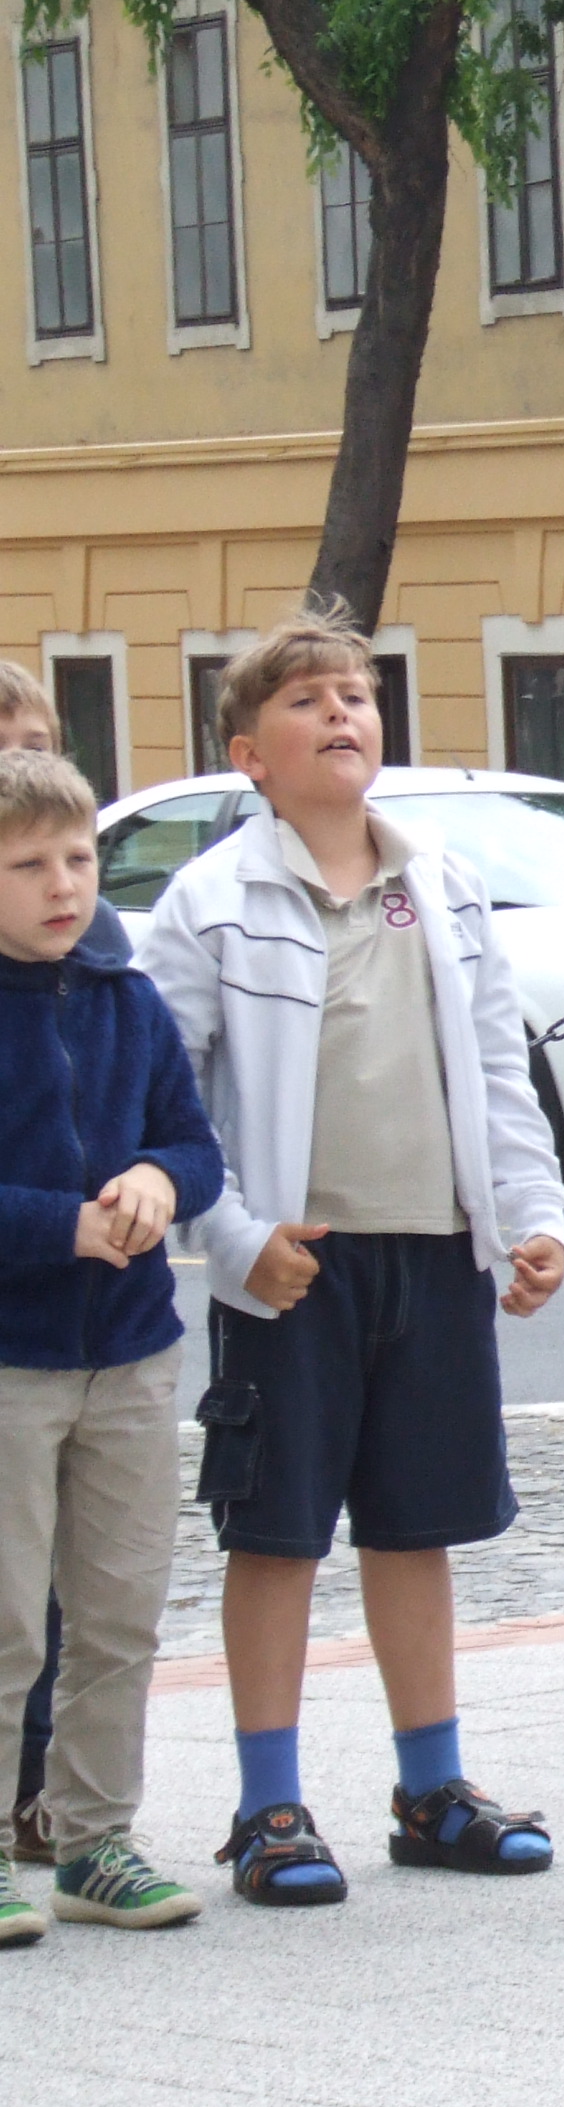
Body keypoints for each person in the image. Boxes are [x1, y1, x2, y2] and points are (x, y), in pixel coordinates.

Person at [140, 612, 564, 1909]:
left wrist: (530, 1218)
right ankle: (267, 1807)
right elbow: (170, 1100)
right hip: (295, 1265)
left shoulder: (439, 882)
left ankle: (431, 1789)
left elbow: (494, 1066)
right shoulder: (213, 900)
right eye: (308, 700)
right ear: (247, 754)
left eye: (358, 696)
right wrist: (232, 1239)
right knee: (275, 1536)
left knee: (415, 1526)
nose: (341, 714)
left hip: (432, 1254)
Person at [0, 749, 224, 1941]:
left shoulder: (127, 1000)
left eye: (78, 858)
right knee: (7, 1623)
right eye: (27, 865)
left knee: (120, 1611)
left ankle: (95, 1840)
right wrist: (62, 1226)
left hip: (131, 1356)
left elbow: (194, 1144)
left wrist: (156, 1179)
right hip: (12, 1361)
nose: (62, 885)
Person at [0, 662, 73, 1871]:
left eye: (34, 744)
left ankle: (42, 1793)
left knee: (43, 1582)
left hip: (58, 1323)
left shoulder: (83, 943)